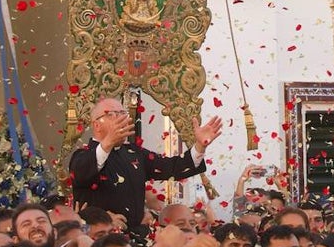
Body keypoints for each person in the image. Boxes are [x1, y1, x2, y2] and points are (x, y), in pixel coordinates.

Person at [69, 97, 222, 234]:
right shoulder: (82, 156)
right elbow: (82, 173)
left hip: (135, 236)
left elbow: (171, 167)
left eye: (123, 113)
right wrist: (108, 142)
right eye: (112, 114)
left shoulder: (133, 153)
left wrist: (200, 146)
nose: (121, 119)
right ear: (96, 125)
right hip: (98, 237)